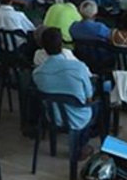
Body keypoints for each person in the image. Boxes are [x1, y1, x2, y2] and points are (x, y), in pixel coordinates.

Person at [32, 27, 96, 160]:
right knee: (97, 106)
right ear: (62, 45)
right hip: (79, 117)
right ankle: (82, 144)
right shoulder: (78, 67)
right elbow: (89, 98)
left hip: (53, 116)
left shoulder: (37, 73)